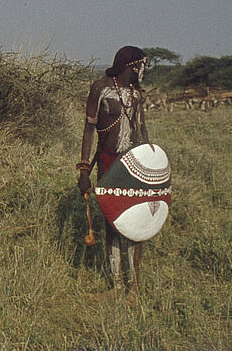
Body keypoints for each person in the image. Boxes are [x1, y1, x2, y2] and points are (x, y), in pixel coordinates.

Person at [78, 46, 151, 301]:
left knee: (136, 224)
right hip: (107, 163)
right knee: (112, 221)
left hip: (133, 163)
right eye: (143, 65)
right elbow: (89, 130)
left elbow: (142, 131)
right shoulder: (101, 87)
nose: (144, 70)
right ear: (132, 66)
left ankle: (134, 289)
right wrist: (84, 168)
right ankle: (116, 285)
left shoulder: (138, 95)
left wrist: (150, 166)